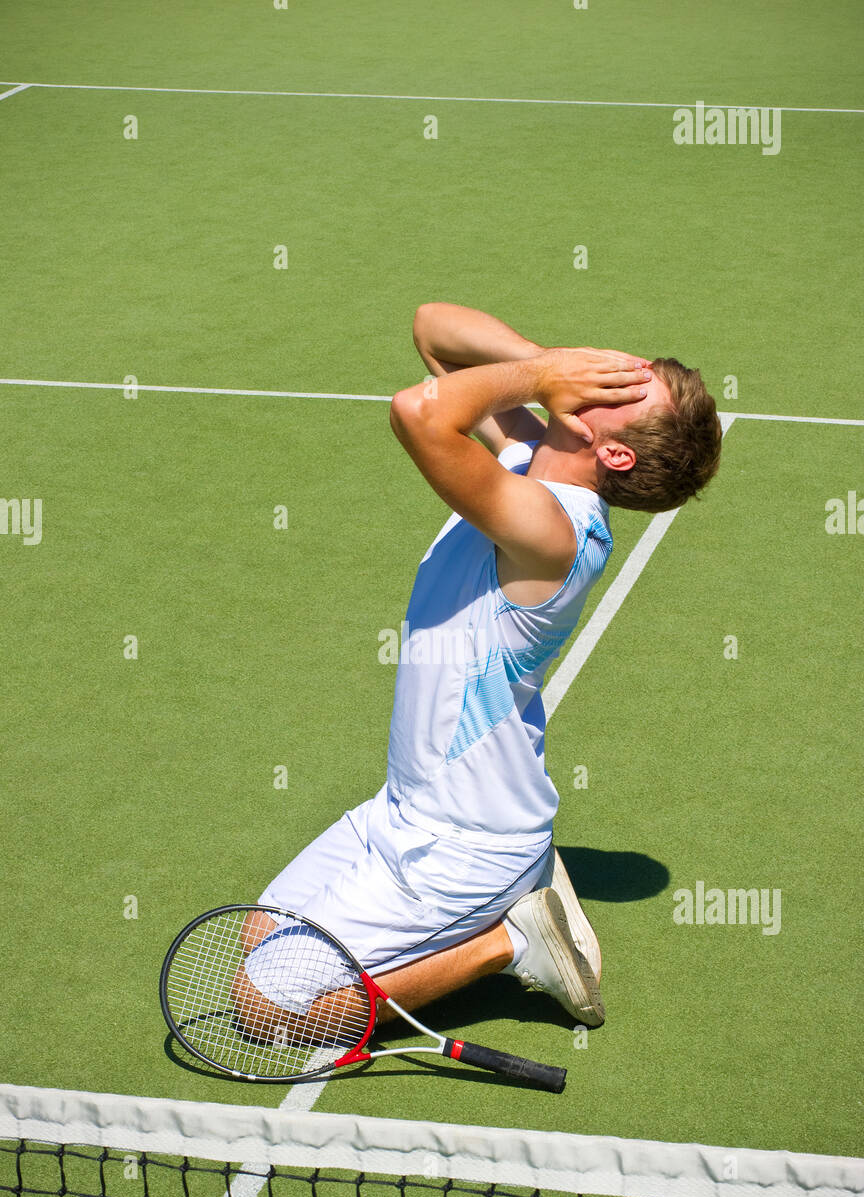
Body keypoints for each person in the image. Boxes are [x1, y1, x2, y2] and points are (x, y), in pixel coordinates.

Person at [232, 303, 722, 1043]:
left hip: (464, 845)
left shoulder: (554, 534)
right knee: (256, 936)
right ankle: (512, 903)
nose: (606, 369)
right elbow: (434, 329)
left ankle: (512, 942)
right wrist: (547, 361)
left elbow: (419, 412)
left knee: (264, 1008)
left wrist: (538, 374)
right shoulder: (527, 457)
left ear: (613, 453)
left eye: (624, 386)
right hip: (403, 809)